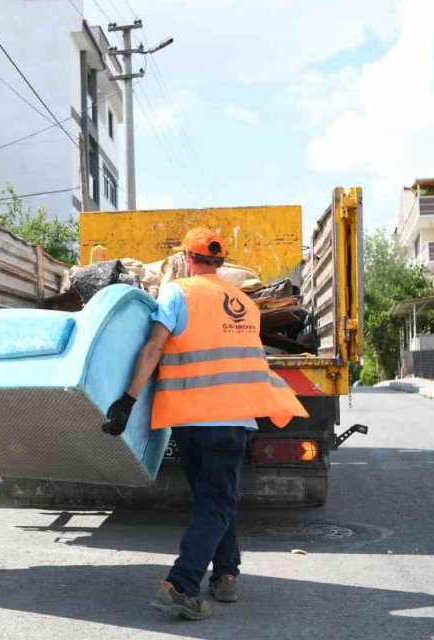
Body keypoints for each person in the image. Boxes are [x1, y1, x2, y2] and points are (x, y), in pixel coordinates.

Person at [101, 227, 309, 620]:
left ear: (186, 259)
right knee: (218, 502)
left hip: (188, 418)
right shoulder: (245, 303)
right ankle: (180, 584)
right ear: (221, 262)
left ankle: (227, 574)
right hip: (230, 420)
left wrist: (127, 400)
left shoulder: (178, 291)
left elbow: (153, 347)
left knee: (213, 501)